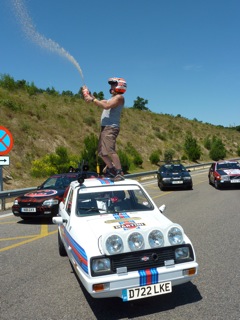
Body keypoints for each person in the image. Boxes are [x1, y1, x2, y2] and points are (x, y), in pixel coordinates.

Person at [82, 77, 127, 177]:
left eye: (113, 84)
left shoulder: (119, 98)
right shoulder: (110, 99)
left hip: (111, 127)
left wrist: (92, 99)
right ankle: (112, 169)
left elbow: (106, 106)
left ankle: (119, 171)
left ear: (120, 86)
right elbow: (99, 102)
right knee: (101, 153)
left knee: (110, 150)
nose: (111, 86)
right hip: (105, 128)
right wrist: (88, 94)